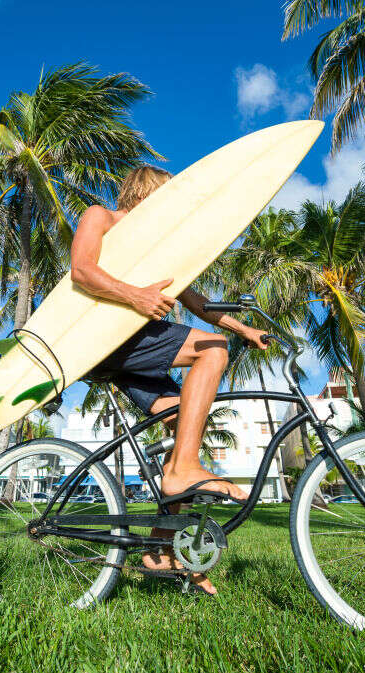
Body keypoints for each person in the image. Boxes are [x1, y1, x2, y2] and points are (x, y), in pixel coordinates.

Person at [70, 165, 270, 594]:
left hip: (130, 355)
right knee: (212, 348)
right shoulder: (101, 216)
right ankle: (182, 472)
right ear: (145, 194)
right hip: (105, 340)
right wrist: (136, 295)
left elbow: (197, 303)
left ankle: (160, 548)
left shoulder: (159, 249)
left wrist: (246, 330)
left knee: (184, 428)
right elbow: (81, 270)